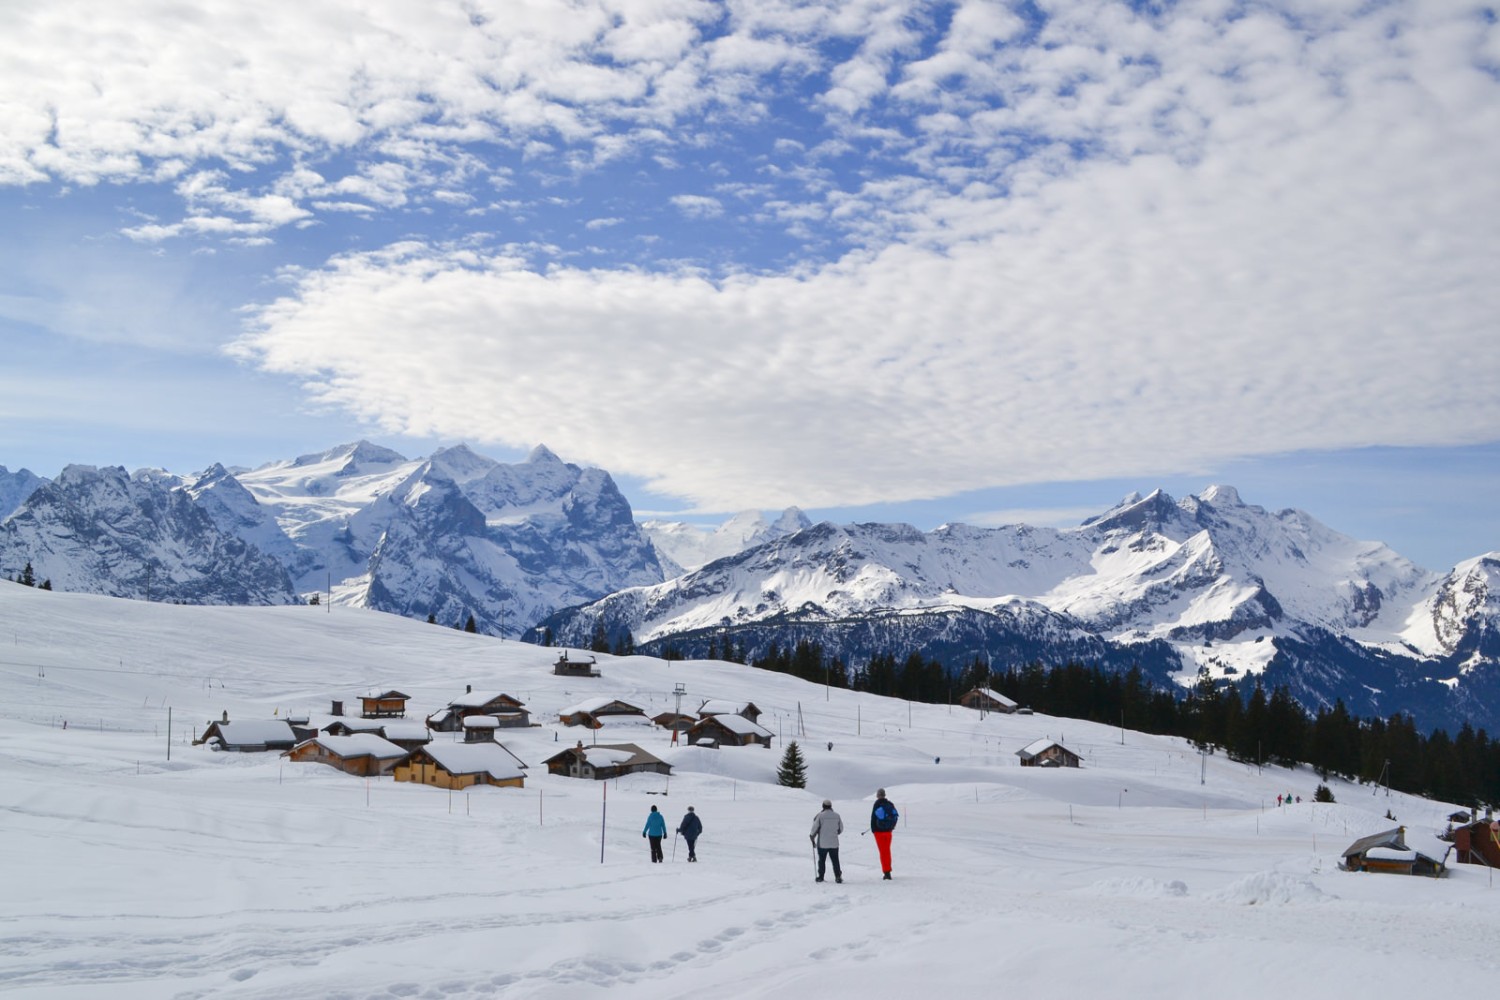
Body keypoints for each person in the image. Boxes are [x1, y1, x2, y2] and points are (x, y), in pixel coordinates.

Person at [810, 799, 844, 883]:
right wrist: (835, 833)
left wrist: (812, 837)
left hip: (822, 843)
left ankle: (821, 877)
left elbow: (814, 828)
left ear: (823, 806)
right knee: (835, 860)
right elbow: (841, 829)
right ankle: (838, 876)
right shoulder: (837, 815)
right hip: (834, 843)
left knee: (822, 860)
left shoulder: (820, 816)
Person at [870, 788, 899, 880]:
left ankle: (887, 873)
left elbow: (873, 818)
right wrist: (891, 827)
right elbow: (895, 817)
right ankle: (888, 870)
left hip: (879, 832)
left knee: (883, 852)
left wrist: (873, 829)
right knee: (887, 851)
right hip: (888, 831)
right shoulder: (890, 804)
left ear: (878, 795)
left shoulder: (877, 804)